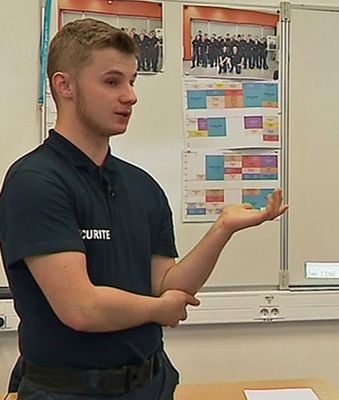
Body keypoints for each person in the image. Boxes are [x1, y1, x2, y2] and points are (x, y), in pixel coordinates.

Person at [0, 18, 287, 400]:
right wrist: (159, 310)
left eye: (132, 82)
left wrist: (222, 230)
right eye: (112, 81)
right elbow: (81, 308)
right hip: (70, 391)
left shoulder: (141, 186)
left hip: (151, 384)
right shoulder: (36, 181)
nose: (130, 96)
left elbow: (167, 285)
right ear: (63, 85)